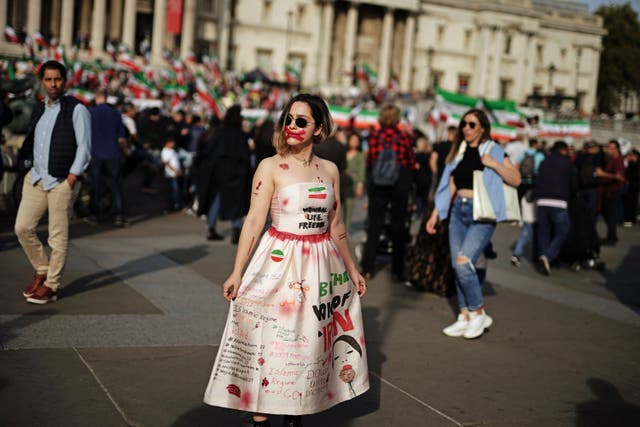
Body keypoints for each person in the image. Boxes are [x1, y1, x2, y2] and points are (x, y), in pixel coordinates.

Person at [202, 94, 368, 427]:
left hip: (322, 265)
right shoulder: (270, 166)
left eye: (301, 121)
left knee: (311, 347)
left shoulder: (331, 169)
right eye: (288, 119)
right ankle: (261, 414)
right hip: (279, 264)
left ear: (318, 129)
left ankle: (296, 414)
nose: (291, 126)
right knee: (276, 341)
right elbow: (253, 220)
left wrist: (352, 269)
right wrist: (237, 272)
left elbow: (336, 225)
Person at [426, 109, 520, 339]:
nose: (466, 128)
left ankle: (479, 312)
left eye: (471, 124)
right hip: (459, 210)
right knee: (458, 266)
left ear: (482, 128)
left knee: (463, 262)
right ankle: (465, 315)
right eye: (464, 124)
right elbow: (450, 185)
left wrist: (494, 165)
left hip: (482, 213)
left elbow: (516, 179)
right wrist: (435, 214)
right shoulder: (459, 151)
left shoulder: (493, 150)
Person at [14, 60, 91, 304]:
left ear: (64, 81)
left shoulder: (77, 109)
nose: (53, 84)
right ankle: (42, 269)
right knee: (22, 228)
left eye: (57, 79)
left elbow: (85, 148)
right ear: (42, 81)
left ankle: (52, 285)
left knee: (57, 237)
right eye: (48, 79)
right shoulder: (39, 109)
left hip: (60, 181)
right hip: (36, 178)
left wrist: (71, 177)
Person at [361, 104, 416, 281]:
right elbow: (410, 161)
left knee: (375, 225)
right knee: (398, 225)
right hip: (400, 181)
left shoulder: (375, 135)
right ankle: (397, 270)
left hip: (379, 183)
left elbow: (370, 160)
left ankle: (367, 268)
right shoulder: (404, 136)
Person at [200, 105, 252, 243]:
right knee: (237, 201)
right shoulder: (240, 135)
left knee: (217, 199)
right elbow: (245, 155)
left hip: (220, 172)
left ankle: (211, 228)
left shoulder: (219, 132)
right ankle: (236, 230)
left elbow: (209, 151)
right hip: (236, 172)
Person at [534, 141, 577, 275]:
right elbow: (573, 183)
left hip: (542, 201)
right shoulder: (567, 162)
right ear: (563, 150)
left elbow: (538, 180)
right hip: (559, 201)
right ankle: (548, 255)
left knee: (543, 232)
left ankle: (543, 257)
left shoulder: (544, 162)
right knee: (563, 231)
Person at [88, 88, 127, 226]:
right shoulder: (116, 114)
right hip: (113, 153)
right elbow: (121, 139)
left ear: (97, 98)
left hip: (95, 154)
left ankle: (95, 215)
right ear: (106, 98)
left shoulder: (90, 113)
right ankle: (119, 215)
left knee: (95, 185)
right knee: (116, 185)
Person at [597, 140, 625, 245]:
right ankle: (611, 236)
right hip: (606, 191)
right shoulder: (610, 160)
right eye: (607, 147)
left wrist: (602, 174)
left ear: (616, 149)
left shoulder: (618, 160)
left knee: (611, 215)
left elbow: (619, 177)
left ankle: (612, 238)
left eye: (610, 147)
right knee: (606, 214)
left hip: (612, 191)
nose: (607, 149)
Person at [342, 132, 365, 232]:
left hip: (352, 186)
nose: (354, 142)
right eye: (352, 139)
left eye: (356, 140)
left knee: (349, 210)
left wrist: (360, 187)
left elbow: (361, 173)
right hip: (341, 184)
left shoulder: (360, 156)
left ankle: (344, 233)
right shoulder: (343, 152)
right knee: (338, 210)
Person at [161, 133, 182, 211]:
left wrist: (179, 170)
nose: (174, 144)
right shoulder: (165, 151)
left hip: (175, 173)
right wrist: (175, 171)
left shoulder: (172, 150)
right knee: (173, 190)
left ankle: (175, 204)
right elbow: (167, 163)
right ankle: (173, 205)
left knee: (176, 190)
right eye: (172, 143)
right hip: (170, 174)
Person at [623, 149, 639, 227]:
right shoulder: (630, 163)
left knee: (632, 204)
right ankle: (629, 220)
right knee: (629, 204)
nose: (630, 157)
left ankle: (631, 219)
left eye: (631, 155)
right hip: (630, 187)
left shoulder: (636, 164)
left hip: (635, 187)